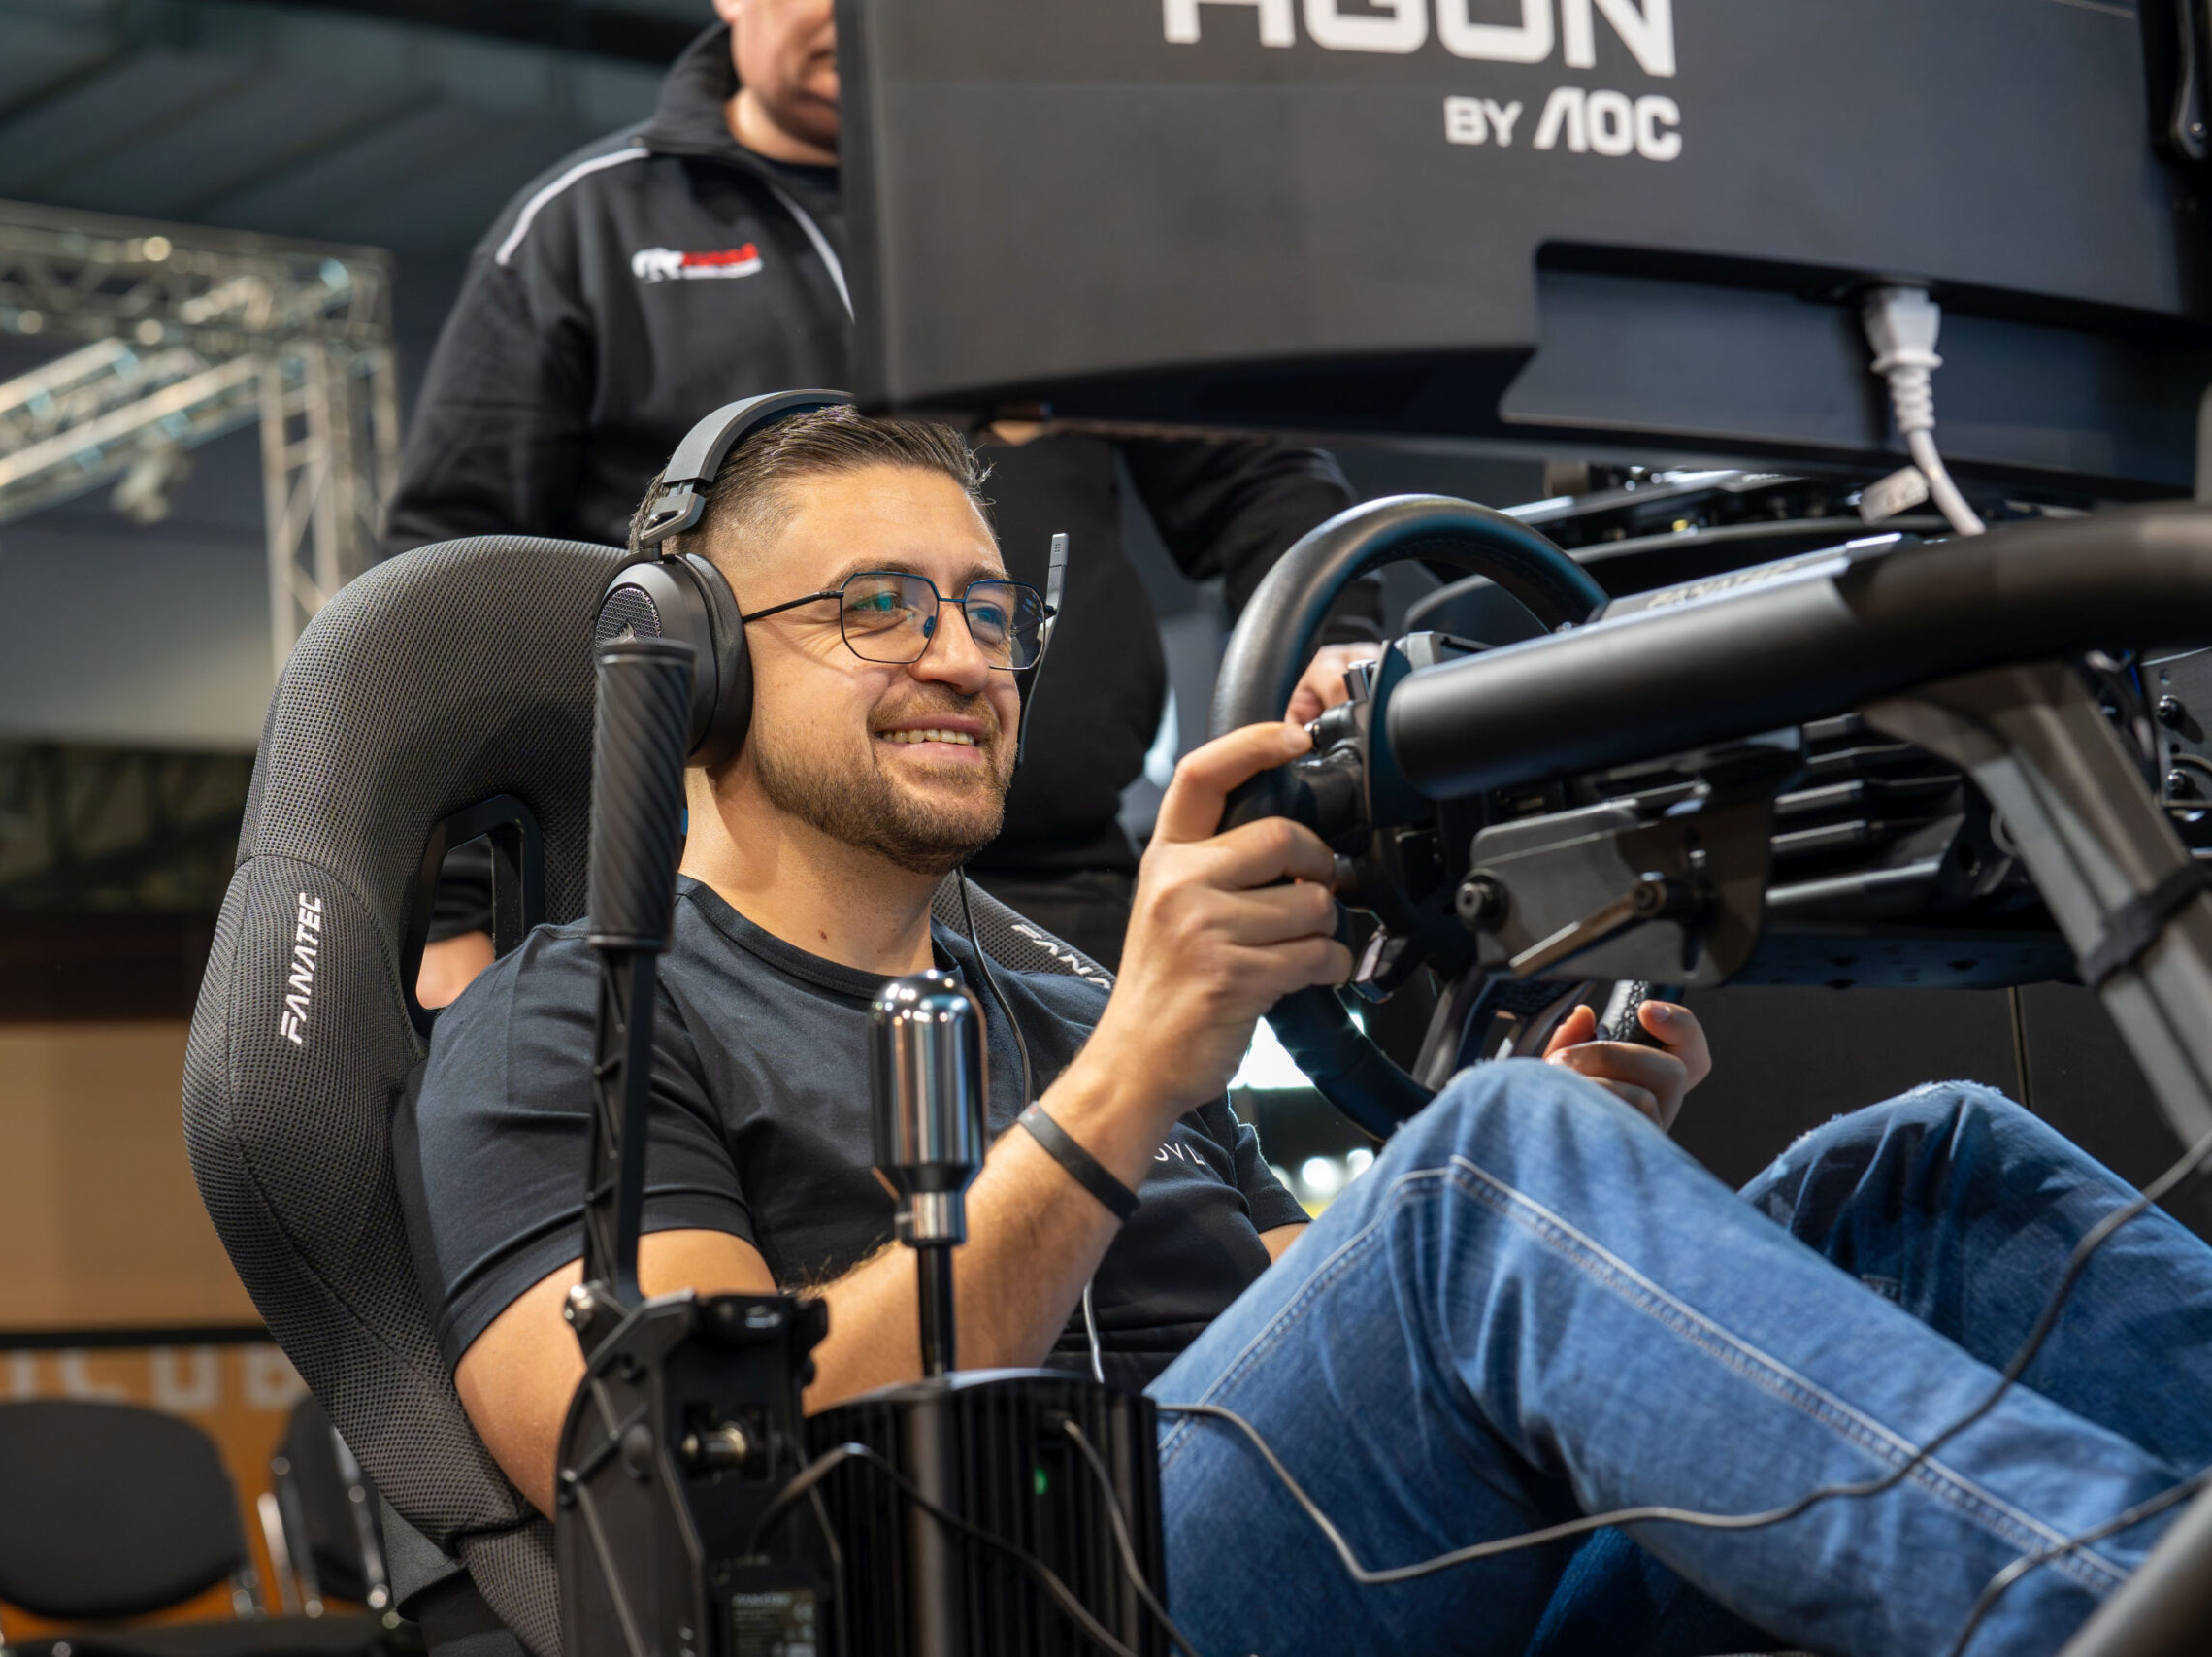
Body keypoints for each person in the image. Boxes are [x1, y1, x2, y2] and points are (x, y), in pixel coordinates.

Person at [393, 408, 2210, 1655]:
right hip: (1052, 1595)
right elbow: (716, 1508)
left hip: (1329, 1553)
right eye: (876, 609)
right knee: (1482, 1182)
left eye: (987, 611)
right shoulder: (575, 1025)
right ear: (700, 664)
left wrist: (1563, 1178)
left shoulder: (1063, 998)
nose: (961, 655)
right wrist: (1146, 1083)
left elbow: (1307, 1304)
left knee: (1931, 1167)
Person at [390, 0, 1365, 1004]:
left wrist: (1331, 639)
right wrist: (456, 908)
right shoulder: (586, 229)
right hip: (707, 901)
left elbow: (1259, 480)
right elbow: (453, 574)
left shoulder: (1070, 211)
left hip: (1057, 890)